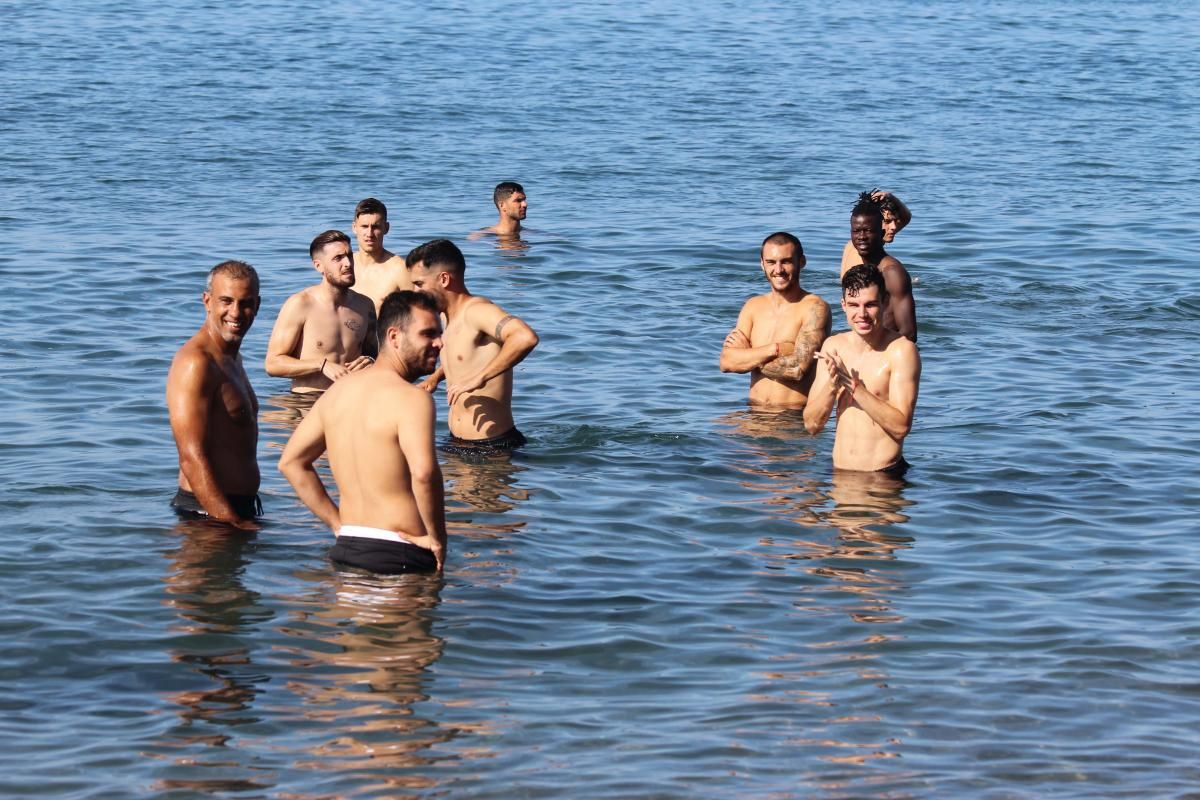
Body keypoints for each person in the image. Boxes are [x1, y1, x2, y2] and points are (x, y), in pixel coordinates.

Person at [278, 290, 448, 573]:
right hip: (401, 553)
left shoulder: (335, 394)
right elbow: (424, 474)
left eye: (439, 334)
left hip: (348, 549)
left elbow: (291, 463)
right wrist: (437, 538)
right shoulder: (413, 398)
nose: (439, 343)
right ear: (394, 337)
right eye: (428, 334)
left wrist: (336, 524)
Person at [406, 239, 539, 448]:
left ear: (443, 279)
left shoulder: (477, 311)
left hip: (492, 447)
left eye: (419, 284)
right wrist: (435, 378)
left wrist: (480, 378)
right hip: (456, 442)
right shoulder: (446, 318)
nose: (415, 291)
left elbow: (525, 337)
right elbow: (465, 357)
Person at [166, 261, 263, 528]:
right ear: (207, 301)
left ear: (258, 305)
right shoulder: (196, 362)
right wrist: (231, 522)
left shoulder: (231, 357)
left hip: (233, 509)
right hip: (206, 515)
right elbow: (190, 455)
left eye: (245, 303)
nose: (236, 312)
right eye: (226, 301)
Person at [804, 264, 921, 474]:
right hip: (840, 474)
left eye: (870, 305)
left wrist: (853, 386)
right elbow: (812, 425)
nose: (862, 314)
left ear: (885, 303)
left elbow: (901, 426)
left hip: (883, 477)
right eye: (854, 305)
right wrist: (832, 387)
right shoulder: (833, 346)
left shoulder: (901, 351)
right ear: (843, 305)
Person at [720, 232, 831, 408]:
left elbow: (798, 369)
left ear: (801, 262)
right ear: (762, 264)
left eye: (786, 261)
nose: (778, 270)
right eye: (771, 262)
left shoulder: (814, 308)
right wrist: (776, 349)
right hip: (752, 412)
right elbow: (726, 362)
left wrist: (748, 358)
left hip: (791, 419)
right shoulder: (753, 306)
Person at [265, 230, 377, 394]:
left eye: (349, 255)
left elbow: (375, 355)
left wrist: (371, 360)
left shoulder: (365, 306)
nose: (348, 263)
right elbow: (272, 364)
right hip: (307, 402)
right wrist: (321, 365)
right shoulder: (300, 305)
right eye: (338, 258)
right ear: (319, 266)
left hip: (350, 400)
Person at [841, 194, 917, 342]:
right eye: (857, 231)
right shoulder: (855, 249)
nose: (862, 236)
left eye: (868, 231)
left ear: (879, 233)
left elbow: (909, 333)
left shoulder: (892, 272)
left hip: (890, 351)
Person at [350, 198, 412, 311]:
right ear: (354, 227)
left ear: (386, 228)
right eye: (364, 226)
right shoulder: (345, 264)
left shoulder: (399, 269)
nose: (369, 234)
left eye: (376, 227)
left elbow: (417, 313)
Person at [839, 189, 912, 273]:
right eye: (887, 221)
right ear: (873, 223)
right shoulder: (865, 253)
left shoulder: (853, 244)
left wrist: (891, 197)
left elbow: (906, 217)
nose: (894, 227)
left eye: (895, 221)